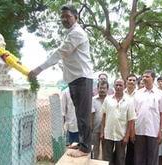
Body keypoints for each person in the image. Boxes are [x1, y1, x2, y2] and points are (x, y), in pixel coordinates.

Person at [28, 4, 93, 157]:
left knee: (83, 115)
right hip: (75, 79)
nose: (64, 19)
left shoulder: (77, 33)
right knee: (79, 114)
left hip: (82, 78)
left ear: (76, 17)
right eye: (62, 16)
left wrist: (38, 69)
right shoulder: (70, 33)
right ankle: (82, 144)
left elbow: (59, 53)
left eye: (68, 16)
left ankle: (85, 148)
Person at [134, 70, 162, 165]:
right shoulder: (138, 93)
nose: (144, 78)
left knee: (152, 158)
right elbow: (134, 113)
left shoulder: (160, 94)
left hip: (153, 131)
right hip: (139, 131)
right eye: (143, 76)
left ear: (153, 78)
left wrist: (161, 131)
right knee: (139, 158)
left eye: (147, 76)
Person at [100, 78, 136, 165]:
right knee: (107, 159)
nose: (118, 87)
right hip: (108, 134)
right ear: (114, 86)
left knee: (120, 159)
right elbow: (104, 116)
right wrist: (102, 132)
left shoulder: (129, 101)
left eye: (120, 85)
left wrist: (127, 136)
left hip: (121, 135)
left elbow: (130, 120)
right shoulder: (108, 99)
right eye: (117, 85)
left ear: (124, 87)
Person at [91, 80, 109, 159]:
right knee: (95, 150)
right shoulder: (93, 100)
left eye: (104, 88)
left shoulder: (110, 100)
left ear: (107, 89)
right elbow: (91, 114)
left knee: (106, 151)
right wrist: (90, 128)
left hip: (107, 130)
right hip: (95, 129)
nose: (102, 90)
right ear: (97, 88)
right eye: (100, 88)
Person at [124, 74, 137, 165]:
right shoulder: (121, 93)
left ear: (136, 82)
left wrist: (133, 130)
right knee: (120, 151)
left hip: (134, 128)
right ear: (126, 81)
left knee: (132, 151)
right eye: (130, 80)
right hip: (122, 127)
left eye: (133, 80)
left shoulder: (139, 94)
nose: (131, 82)